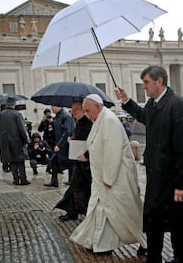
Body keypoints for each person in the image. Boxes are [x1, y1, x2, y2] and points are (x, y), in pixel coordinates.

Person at [115, 66, 183, 263]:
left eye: (146, 83)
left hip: (175, 179)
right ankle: (153, 258)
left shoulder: (177, 105)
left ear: (159, 81)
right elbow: (145, 117)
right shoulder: (154, 103)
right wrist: (126, 101)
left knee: (179, 226)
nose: (144, 87)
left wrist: (181, 185)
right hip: (157, 177)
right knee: (153, 221)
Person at [70, 94, 147, 253]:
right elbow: (97, 146)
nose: (86, 114)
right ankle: (101, 243)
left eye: (87, 110)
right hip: (101, 179)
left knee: (125, 211)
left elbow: (113, 152)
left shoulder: (109, 121)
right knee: (101, 210)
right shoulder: (99, 120)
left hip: (114, 178)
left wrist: (109, 178)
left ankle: (145, 240)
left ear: (98, 106)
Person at [55, 101, 93, 221]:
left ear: (83, 110)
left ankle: (81, 211)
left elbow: (91, 142)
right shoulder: (79, 123)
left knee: (80, 188)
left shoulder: (88, 124)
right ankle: (75, 211)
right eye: (72, 109)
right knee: (76, 187)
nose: (73, 112)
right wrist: (72, 140)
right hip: (79, 161)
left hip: (85, 162)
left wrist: (86, 155)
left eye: (76, 109)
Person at [0, 97, 30, 185]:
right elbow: (21, 129)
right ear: (14, 105)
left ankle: (15, 179)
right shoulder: (17, 114)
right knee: (20, 161)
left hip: (5, 142)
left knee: (12, 161)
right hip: (17, 141)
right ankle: (23, 179)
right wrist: (26, 140)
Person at [43, 105, 75, 187]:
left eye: (53, 106)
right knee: (54, 161)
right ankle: (54, 181)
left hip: (64, 145)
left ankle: (71, 180)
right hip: (58, 144)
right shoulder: (57, 116)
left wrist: (59, 145)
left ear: (59, 106)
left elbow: (67, 131)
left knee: (69, 163)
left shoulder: (65, 116)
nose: (51, 108)